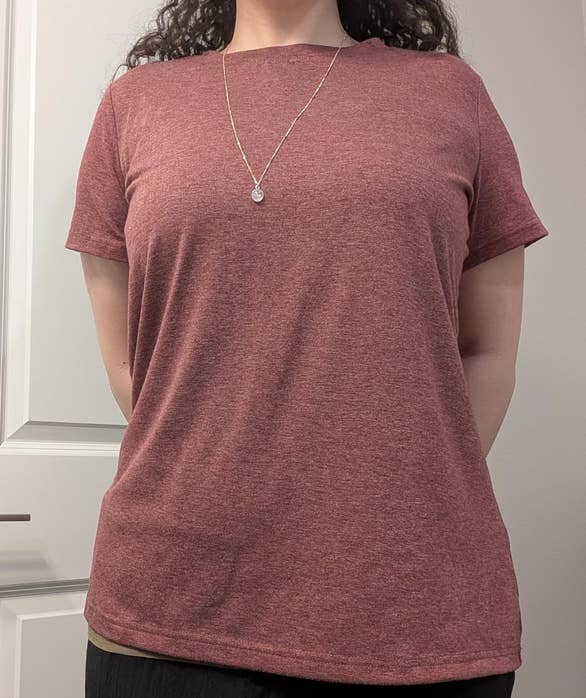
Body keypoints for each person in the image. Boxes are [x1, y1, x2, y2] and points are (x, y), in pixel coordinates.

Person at [65, 1, 550, 696]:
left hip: (414, 616)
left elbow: (488, 351)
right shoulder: (133, 105)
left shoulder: (451, 94)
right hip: (170, 608)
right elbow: (133, 364)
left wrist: (401, 507)